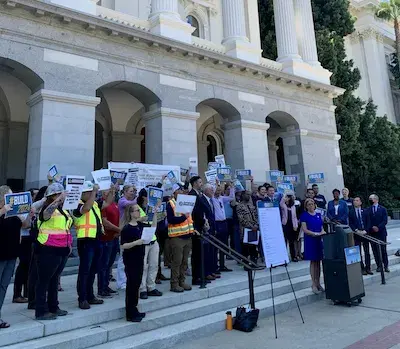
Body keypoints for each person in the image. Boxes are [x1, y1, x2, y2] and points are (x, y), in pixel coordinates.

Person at [35, 183, 72, 320]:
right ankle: (41, 310)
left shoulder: (63, 209)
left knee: (54, 279)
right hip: (47, 248)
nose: (61, 197)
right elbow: (45, 216)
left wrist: (68, 245)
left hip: (62, 248)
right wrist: (57, 200)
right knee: (44, 280)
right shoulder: (46, 207)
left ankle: (53, 306)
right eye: (58, 194)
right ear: (52, 196)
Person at [0, 185, 33, 328]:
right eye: (9, 195)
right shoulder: (3, 211)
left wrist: (29, 215)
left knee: (3, 286)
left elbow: (25, 226)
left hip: (12, 254)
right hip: (0, 254)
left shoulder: (14, 214)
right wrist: (2, 210)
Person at [120, 202, 159, 322]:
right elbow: (123, 245)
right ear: (131, 213)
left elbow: (152, 227)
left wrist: (155, 213)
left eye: (138, 210)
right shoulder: (127, 228)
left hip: (139, 257)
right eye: (136, 210)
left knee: (136, 284)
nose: (138, 212)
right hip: (131, 259)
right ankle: (130, 312)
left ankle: (135, 308)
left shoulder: (140, 225)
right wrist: (136, 243)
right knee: (131, 285)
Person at [73, 181, 104, 310]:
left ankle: (90, 295)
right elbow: (85, 209)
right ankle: (82, 298)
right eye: (90, 192)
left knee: (93, 270)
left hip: (96, 239)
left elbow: (105, 203)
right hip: (85, 240)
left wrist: (113, 189)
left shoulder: (95, 204)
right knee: (84, 271)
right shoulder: (77, 205)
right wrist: (94, 192)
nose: (93, 195)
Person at [166, 184, 193, 292]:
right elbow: (171, 220)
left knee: (184, 262)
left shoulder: (186, 202)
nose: (181, 191)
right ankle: (174, 284)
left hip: (187, 235)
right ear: (174, 193)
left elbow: (189, 219)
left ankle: (182, 281)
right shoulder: (171, 204)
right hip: (177, 237)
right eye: (179, 190)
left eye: (182, 190)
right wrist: (183, 217)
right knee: (177, 261)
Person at [137, 189, 163, 300]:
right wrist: (141, 218)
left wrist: (155, 212)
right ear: (144, 197)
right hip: (142, 240)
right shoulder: (136, 208)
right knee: (143, 266)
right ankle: (142, 289)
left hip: (153, 238)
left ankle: (151, 287)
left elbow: (154, 225)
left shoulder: (151, 208)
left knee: (154, 264)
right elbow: (133, 220)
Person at [27, 185, 48, 310]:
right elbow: (33, 207)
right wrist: (45, 199)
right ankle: (32, 300)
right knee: (35, 273)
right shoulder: (37, 207)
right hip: (37, 242)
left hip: (46, 243)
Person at [301, 198, 326, 294]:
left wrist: (322, 232)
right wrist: (315, 234)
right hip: (310, 240)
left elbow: (321, 227)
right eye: (309, 204)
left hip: (319, 240)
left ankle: (318, 282)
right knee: (313, 262)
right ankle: (313, 284)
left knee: (318, 262)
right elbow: (305, 229)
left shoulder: (319, 215)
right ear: (306, 206)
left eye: (312, 204)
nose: (311, 206)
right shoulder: (304, 215)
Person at [98, 186, 120, 298]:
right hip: (105, 239)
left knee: (109, 264)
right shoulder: (102, 205)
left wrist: (118, 231)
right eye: (108, 190)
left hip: (114, 238)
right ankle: (101, 289)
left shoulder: (114, 204)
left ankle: (106, 285)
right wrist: (118, 229)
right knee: (104, 265)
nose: (111, 192)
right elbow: (105, 222)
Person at [213, 181, 234, 272]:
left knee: (224, 245)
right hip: (217, 223)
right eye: (216, 190)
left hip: (224, 223)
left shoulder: (221, 198)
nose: (218, 191)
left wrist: (232, 187)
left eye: (219, 190)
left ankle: (222, 265)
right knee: (216, 245)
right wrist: (216, 183)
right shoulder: (212, 199)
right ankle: (215, 265)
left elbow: (231, 197)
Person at [349, 197, 372, 275]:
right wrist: (356, 230)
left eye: (357, 200)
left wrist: (366, 230)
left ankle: (368, 268)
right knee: (358, 252)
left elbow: (369, 222)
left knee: (367, 251)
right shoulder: (351, 212)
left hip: (365, 233)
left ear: (360, 202)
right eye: (354, 200)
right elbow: (351, 223)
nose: (355, 202)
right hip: (357, 234)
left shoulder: (365, 211)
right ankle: (361, 268)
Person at [366, 194, 389, 273]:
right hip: (372, 233)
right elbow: (367, 220)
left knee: (383, 250)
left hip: (381, 232)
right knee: (375, 250)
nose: (370, 200)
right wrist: (372, 227)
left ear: (376, 199)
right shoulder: (368, 209)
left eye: (371, 199)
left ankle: (385, 266)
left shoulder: (383, 209)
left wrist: (378, 227)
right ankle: (379, 265)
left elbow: (384, 220)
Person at [236, 191, 259, 263]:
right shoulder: (239, 206)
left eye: (249, 194)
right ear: (243, 195)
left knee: (253, 247)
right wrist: (250, 226)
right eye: (247, 194)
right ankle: (246, 264)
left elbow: (256, 216)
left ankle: (254, 262)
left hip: (254, 229)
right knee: (245, 248)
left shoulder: (251, 205)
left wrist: (256, 225)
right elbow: (241, 219)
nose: (248, 196)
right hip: (245, 230)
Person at [280, 192, 300, 262]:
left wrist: (295, 226)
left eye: (289, 197)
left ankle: (293, 256)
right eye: (287, 197)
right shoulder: (283, 205)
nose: (288, 199)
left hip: (292, 225)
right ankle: (283, 257)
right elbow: (281, 202)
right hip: (285, 225)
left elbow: (295, 217)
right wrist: (285, 195)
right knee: (284, 241)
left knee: (292, 242)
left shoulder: (293, 206)